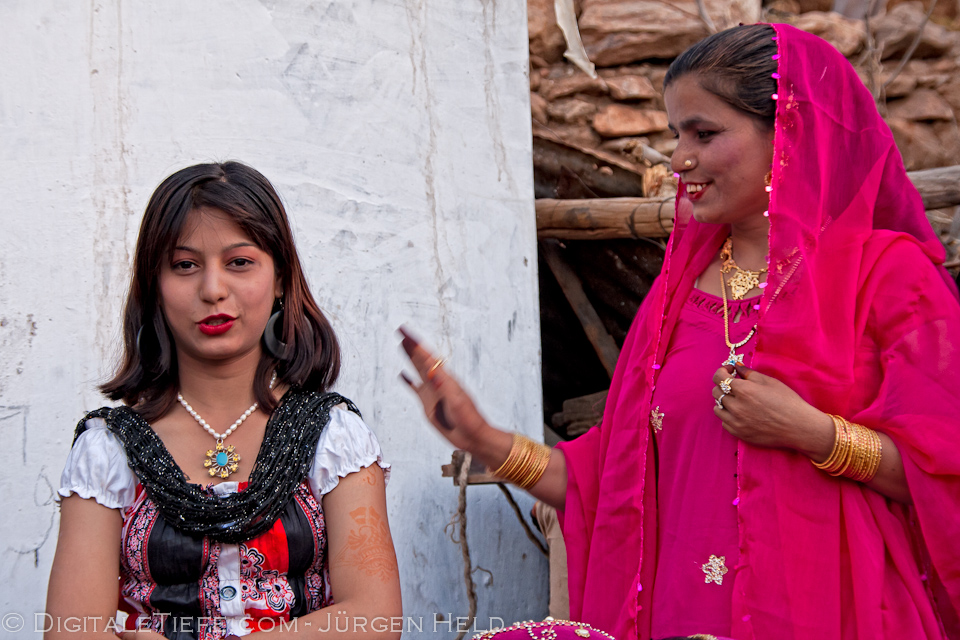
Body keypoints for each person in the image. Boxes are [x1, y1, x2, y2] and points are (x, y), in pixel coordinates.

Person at [400, 23, 960, 640]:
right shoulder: (675, 296)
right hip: (682, 617)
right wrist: (486, 440)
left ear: (789, 133)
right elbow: (609, 486)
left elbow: (942, 476)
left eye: (705, 133)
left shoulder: (888, 275)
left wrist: (815, 433)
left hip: (843, 617)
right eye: (676, 134)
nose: (678, 159)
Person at [46, 162, 401, 639]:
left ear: (280, 279)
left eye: (239, 262)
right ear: (155, 286)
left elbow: (375, 620)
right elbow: (71, 632)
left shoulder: (334, 438)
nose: (213, 290)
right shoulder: (107, 451)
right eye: (185, 265)